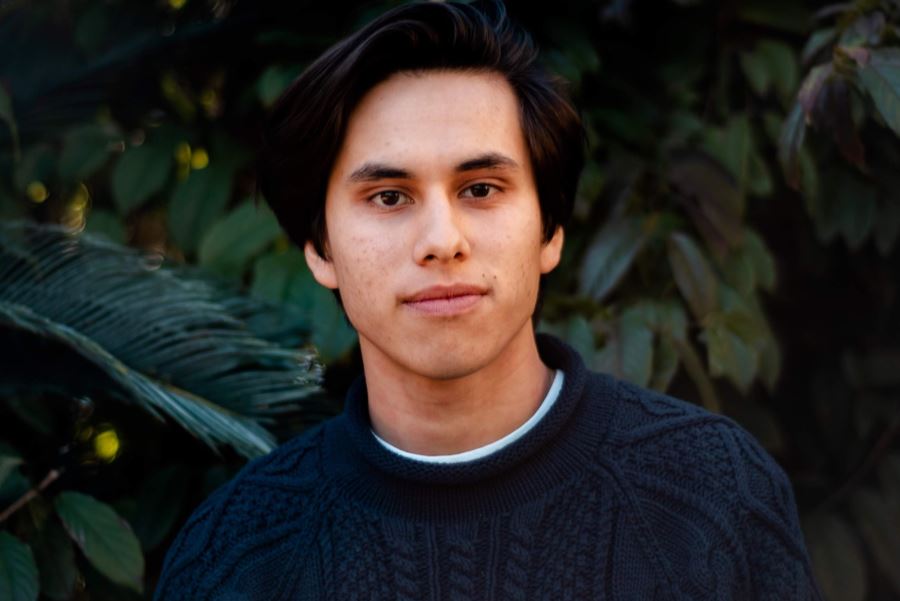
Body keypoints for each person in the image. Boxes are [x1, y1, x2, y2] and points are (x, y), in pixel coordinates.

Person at [154, 1, 823, 599]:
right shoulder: (235, 556)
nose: (442, 241)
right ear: (320, 249)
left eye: (480, 189)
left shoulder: (713, 493)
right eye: (389, 197)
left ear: (550, 231)